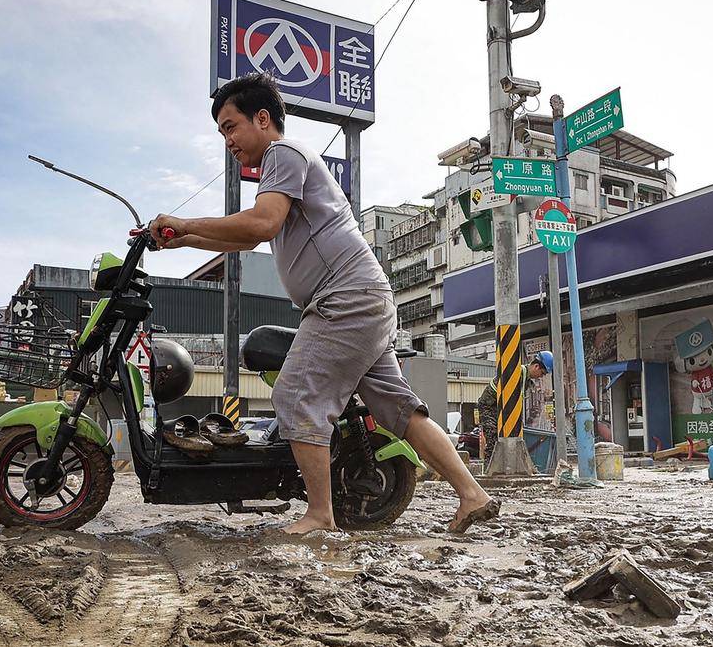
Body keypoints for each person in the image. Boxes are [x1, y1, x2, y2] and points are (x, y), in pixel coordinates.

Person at [151, 72, 497, 535]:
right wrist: (183, 238)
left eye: (231, 127)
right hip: (364, 297)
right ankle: (473, 494)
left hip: (344, 298)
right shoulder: (285, 163)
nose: (227, 140)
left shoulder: (283, 153)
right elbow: (249, 233)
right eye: (221, 132)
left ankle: (319, 515)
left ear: (262, 118)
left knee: (295, 395)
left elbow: (261, 224)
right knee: (398, 410)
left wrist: (181, 221)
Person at [477, 351, 552, 465]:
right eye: (542, 373)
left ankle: (505, 466)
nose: (541, 377)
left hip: (500, 408)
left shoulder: (525, 379)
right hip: (489, 407)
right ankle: (489, 468)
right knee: (493, 437)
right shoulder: (517, 372)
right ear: (536, 366)